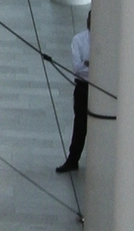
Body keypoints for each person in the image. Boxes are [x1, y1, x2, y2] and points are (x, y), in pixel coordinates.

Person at [56, 13, 91, 173]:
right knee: (80, 124)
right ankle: (73, 159)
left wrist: (88, 64)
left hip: (96, 88)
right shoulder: (79, 40)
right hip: (83, 88)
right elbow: (78, 69)